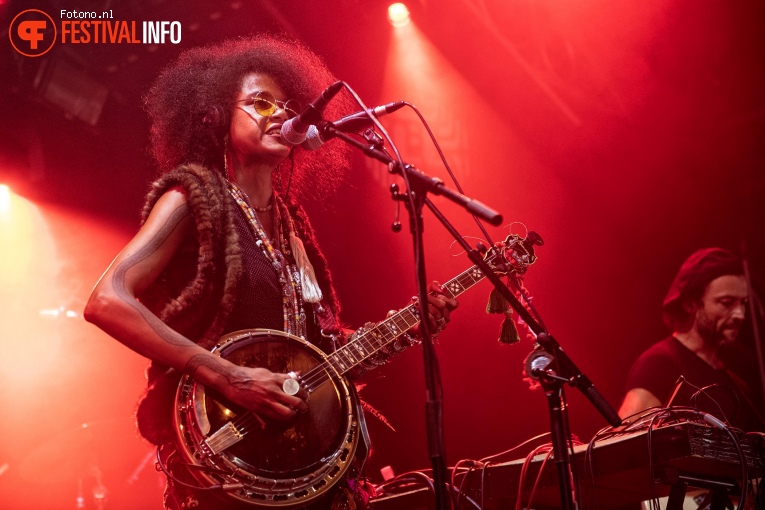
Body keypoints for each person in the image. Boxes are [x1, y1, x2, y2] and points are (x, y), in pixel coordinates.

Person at [84, 35, 458, 509]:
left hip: (301, 469)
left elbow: (316, 358)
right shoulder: (192, 198)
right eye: (260, 103)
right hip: (223, 460)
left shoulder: (291, 226)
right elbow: (107, 302)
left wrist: (408, 325)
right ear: (214, 116)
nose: (281, 114)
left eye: (286, 106)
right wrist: (228, 376)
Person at [619, 247, 764, 431]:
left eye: (743, 303)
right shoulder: (660, 364)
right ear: (690, 303)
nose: (740, 315)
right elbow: (625, 443)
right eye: (726, 303)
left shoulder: (735, 373)